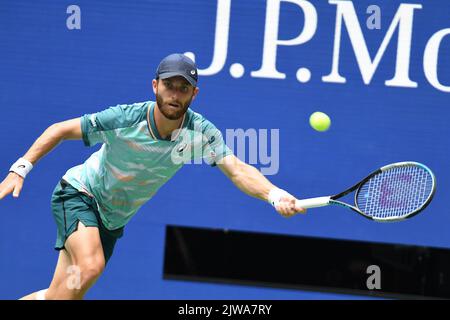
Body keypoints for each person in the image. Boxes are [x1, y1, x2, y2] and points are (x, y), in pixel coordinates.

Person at [0, 53, 306, 300]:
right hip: (80, 193)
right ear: (155, 86)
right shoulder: (125, 118)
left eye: (183, 88)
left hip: (112, 220)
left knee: (61, 297)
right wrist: (20, 168)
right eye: (169, 86)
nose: (175, 94)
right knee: (91, 266)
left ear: (194, 93)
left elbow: (238, 169)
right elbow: (60, 129)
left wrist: (274, 195)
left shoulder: (199, 134)